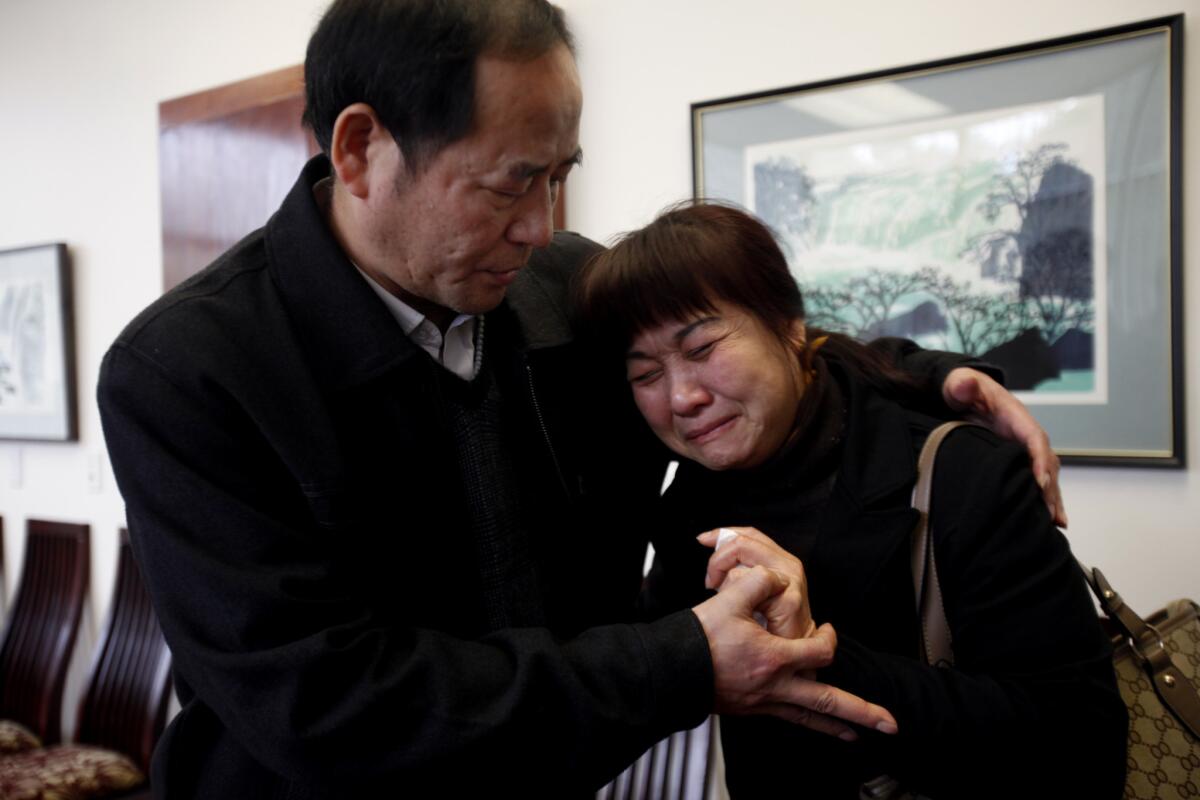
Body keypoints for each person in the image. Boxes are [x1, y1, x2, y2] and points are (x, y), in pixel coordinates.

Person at [98, 1, 1065, 796]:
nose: (541, 227)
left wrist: (930, 373)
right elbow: (330, 704)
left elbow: (749, 341)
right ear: (361, 150)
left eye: (559, 179)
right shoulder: (187, 372)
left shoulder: (560, 283)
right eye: (509, 186)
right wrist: (681, 660)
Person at [572, 202, 1127, 799]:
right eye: (646, 374)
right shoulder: (686, 505)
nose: (681, 397)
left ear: (788, 326)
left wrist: (816, 653)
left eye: (703, 347)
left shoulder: (960, 473)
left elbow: (1080, 744)